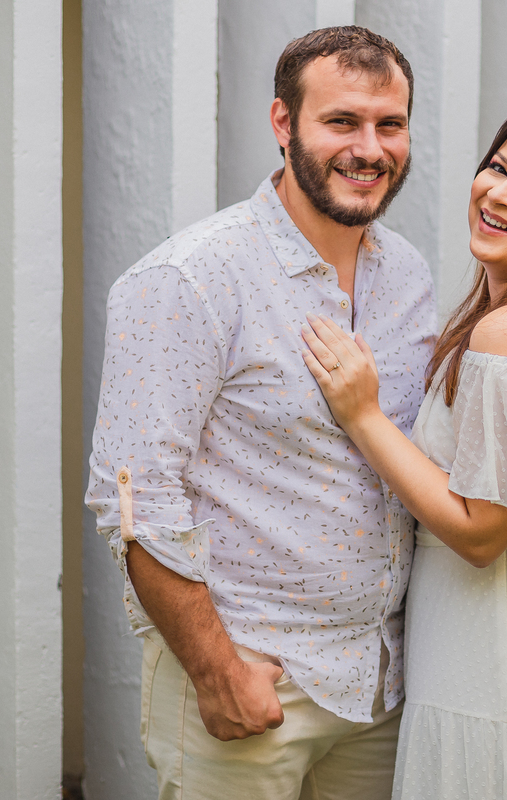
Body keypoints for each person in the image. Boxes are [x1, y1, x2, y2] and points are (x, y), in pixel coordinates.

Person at [88, 27, 438, 799]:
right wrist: (218, 672)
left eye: (391, 124)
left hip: (382, 687)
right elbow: (136, 499)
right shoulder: (190, 278)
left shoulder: (409, 276)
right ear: (284, 125)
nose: (370, 148)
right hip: (255, 682)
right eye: (341, 122)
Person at [301, 103, 507, 799]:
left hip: (503, 663)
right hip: (488, 651)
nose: (500, 193)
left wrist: (362, 415)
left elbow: (483, 533)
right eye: (498, 168)